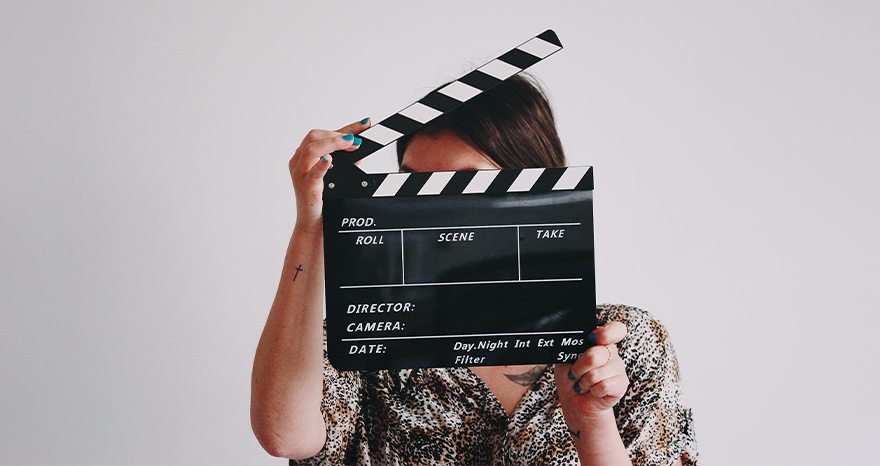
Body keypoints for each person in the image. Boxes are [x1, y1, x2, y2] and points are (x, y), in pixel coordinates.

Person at [251, 74, 698, 465]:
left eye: (464, 184)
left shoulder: (623, 344)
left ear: (534, 190)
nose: (431, 214)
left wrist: (591, 421)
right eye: (411, 185)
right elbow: (284, 435)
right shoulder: (368, 336)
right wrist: (313, 225)